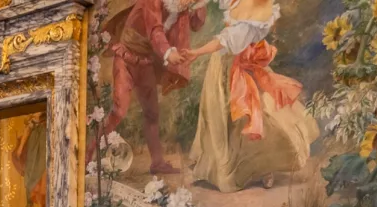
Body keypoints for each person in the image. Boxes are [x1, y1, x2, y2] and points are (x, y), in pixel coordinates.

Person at [183, 0, 319, 192]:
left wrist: (196, 52)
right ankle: (212, 167)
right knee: (219, 118)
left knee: (253, 116)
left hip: (237, 69)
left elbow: (227, 42)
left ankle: (263, 168)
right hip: (223, 67)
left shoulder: (254, 14)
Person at [88, 0, 205, 171]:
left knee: (152, 114)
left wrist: (201, 5)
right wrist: (167, 52)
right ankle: (88, 153)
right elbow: (155, 30)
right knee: (119, 111)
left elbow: (196, 25)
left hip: (145, 63)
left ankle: (157, 162)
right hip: (126, 60)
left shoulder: (181, 9)